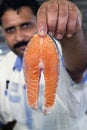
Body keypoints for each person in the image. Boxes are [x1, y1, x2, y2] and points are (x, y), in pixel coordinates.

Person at [0, 0, 87, 130]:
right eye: (10, 29)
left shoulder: (62, 54)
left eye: (26, 25)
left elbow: (76, 69)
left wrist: (72, 35)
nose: (19, 37)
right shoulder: (4, 64)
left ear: (40, 22)